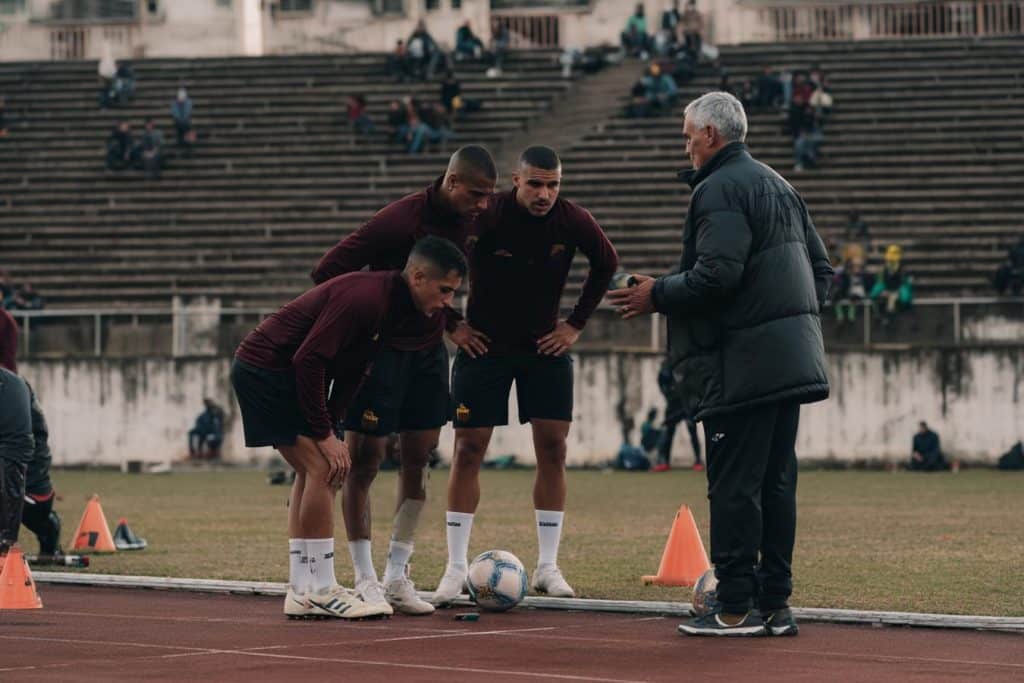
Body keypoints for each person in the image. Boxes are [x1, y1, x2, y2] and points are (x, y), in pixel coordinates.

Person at [609, 91, 832, 636]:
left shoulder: (720, 187)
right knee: (777, 484)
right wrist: (776, 319)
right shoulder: (782, 186)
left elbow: (718, 276)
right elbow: (821, 274)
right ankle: (776, 606)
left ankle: (733, 606)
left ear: (711, 134)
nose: (686, 147)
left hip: (741, 366)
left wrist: (657, 293)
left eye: (688, 136)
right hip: (789, 360)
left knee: (733, 486)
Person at [233, 235, 468, 620]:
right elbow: (308, 359)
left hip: (281, 372)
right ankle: (323, 588)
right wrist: (324, 434)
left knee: (312, 471)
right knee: (324, 470)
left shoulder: (399, 307)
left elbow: (355, 369)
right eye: (444, 291)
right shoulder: (367, 297)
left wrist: (334, 424)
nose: (448, 303)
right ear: (419, 276)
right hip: (266, 370)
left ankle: (302, 588)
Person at [310, 146, 498, 616]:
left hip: (429, 356)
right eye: (477, 195)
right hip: (380, 355)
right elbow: (327, 270)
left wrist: (450, 320)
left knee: (420, 459)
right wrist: (365, 317)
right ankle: (365, 577)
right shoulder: (397, 221)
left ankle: (397, 574)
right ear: (452, 182)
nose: (483, 206)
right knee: (365, 462)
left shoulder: (472, 220)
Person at [433, 145, 619, 606]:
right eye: (535, 183)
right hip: (485, 347)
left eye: (553, 185)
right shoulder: (484, 215)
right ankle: (456, 568)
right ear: (515, 180)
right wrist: (452, 324)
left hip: (544, 347)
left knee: (553, 449)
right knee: (468, 449)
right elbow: (426, 261)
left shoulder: (573, 220)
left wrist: (574, 324)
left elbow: (606, 264)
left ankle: (548, 566)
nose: (544, 193)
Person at [0, 310, 61, 557]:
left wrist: (5, 540)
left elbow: (16, 452)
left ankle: (48, 530)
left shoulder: (12, 389)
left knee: (34, 507)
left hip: (25, 469)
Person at [654, 359, 702, 472]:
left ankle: (698, 461)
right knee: (668, 433)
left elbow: (695, 384)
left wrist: (692, 401)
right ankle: (664, 462)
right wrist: (669, 394)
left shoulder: (689, 363)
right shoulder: (667, 365)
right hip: (673, 406)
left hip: (687, 405)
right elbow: (661, 382)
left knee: (692, 432)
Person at [870, 244, 913, 324]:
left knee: (892, 299)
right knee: (880, 298)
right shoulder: (883, 270)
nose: (890, 263)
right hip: (887, 291)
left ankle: (890, 318)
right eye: (889, 261)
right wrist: (884, 291)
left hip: (896, 292)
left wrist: (897, 292)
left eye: (893, 261)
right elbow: (880, 283)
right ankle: (879, 316)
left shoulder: (903, 270)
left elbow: (904, 284)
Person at [832, 260, 871, 328]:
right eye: (853, 267)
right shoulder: (844, 275)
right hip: (845, 294)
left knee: (853, 301)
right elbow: (840, 284)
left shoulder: (862, 276)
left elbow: (863, 289)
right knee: (837, 301)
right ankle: (840, 319)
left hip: (855, 296)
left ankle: (851, 319)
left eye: (857, 267)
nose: (855, 269)